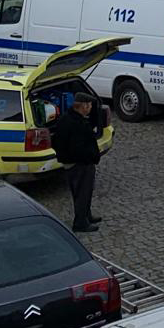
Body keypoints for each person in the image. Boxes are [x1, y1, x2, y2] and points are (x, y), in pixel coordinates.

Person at [53, 92, 105, 232]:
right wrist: (90, 158)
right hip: (79, 164)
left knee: (85, 191)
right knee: (82, 192)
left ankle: (86, 215)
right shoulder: (74, 123)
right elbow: (78, 148)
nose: (90, 108)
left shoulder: (69, 118)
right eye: (89, 106)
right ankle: (80, 222)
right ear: (83, 106)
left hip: (76, 162)